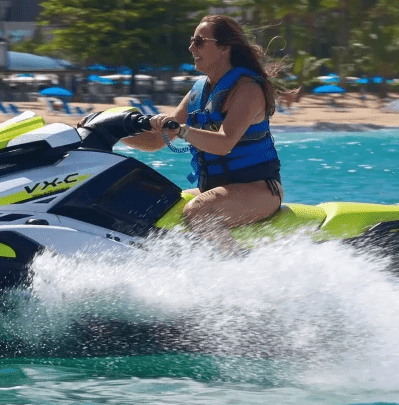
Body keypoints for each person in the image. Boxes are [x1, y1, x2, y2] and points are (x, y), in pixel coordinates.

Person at [121, 15, 285, 243]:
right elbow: (156, 140)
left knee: (199, 210)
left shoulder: (247, 90)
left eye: (199, 42)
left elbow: (225, 143)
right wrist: (115, 134)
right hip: (218, 188)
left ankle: (231, 269)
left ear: (225, 47)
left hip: (260, 190)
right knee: (158, 204)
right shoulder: (198, 92)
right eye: (191, 41)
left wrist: (182, 130)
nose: (191, 48)